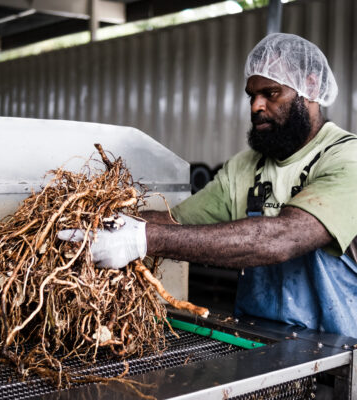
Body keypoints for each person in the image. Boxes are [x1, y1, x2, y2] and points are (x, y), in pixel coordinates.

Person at [59, 33, 357, 338]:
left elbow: (282, 237)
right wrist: (104, 227)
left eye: (271, 93)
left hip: (336, 357)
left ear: (310, 87)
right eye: (251, 95)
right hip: (260, 343)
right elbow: (175, 221)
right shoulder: (244, 167)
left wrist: (142, 240)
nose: (256, 106)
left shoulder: (346, 158)